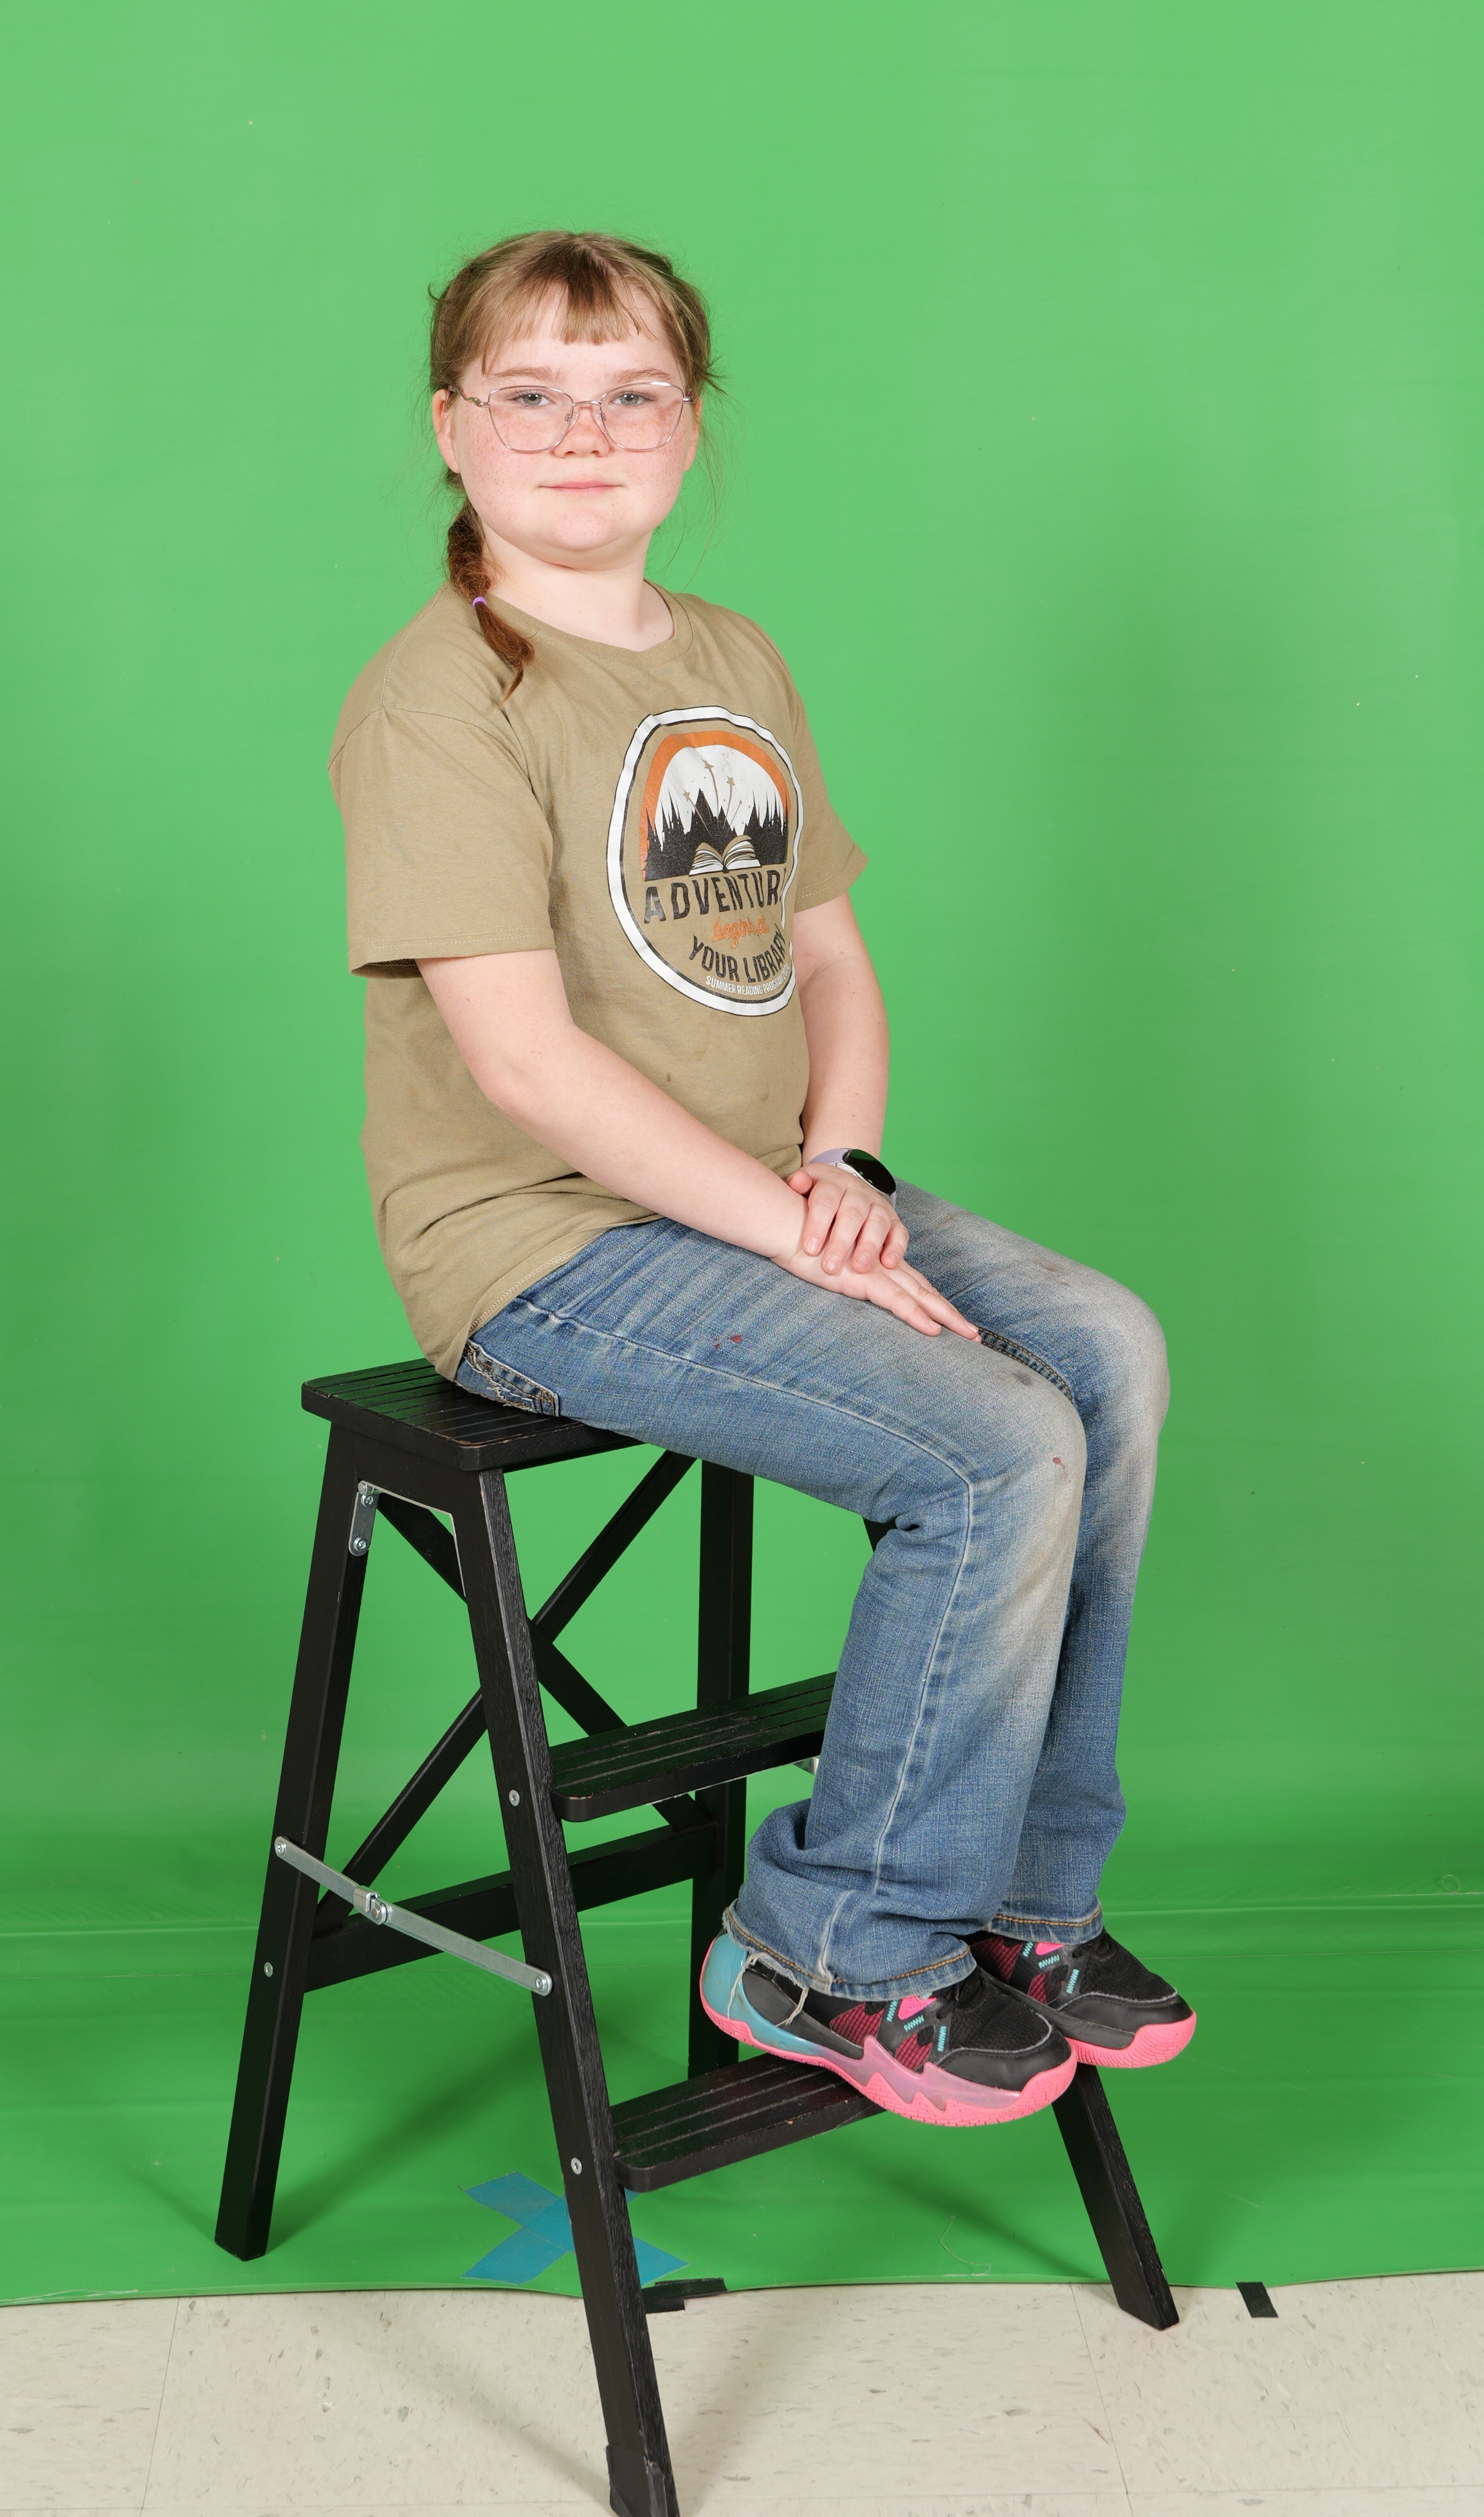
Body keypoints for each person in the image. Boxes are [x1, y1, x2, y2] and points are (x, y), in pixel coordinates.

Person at [329, 228, 1194, 2131]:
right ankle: (830, 1947)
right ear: (453, 429)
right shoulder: (438, 701)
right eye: (533, 396)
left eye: (630, 394)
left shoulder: (732, 658)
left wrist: (843, 1165)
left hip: (763, 1184)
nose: (585, 434)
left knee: (1105, 1352)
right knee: (991, 1442)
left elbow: (833, 966)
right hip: (545, 1246)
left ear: (689, 427)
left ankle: (1026, 1906)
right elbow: (525, 1065)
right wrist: (803, 1237)